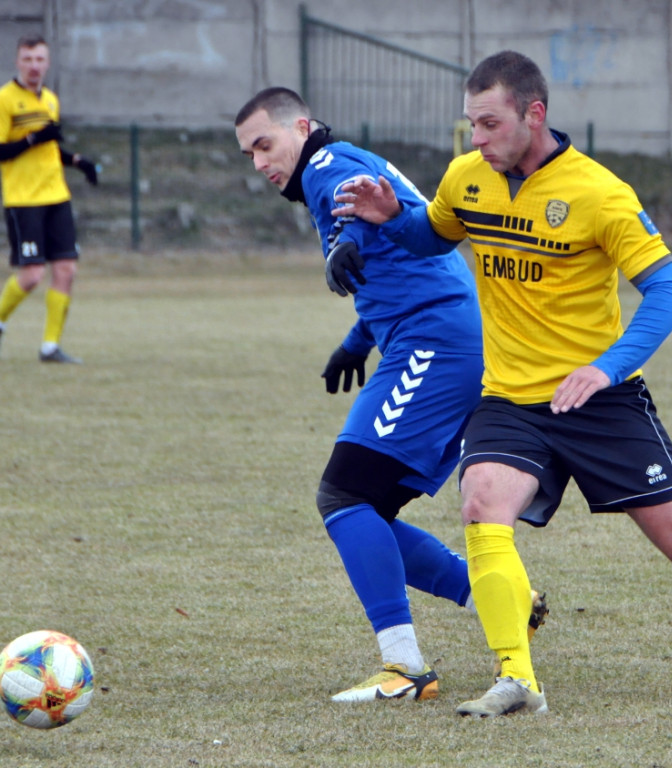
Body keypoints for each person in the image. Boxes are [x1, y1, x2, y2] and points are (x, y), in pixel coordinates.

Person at [335, 50, 672, 717]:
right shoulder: (469, 177)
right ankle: (517, 679)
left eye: (491, 124)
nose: (479, 139)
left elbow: (667, 293)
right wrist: (391, 217)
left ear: (535, 113)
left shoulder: (599, 192)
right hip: (511, 398)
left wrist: (603, 367)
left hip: (602, 402)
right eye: (470, 125)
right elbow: (434, 235)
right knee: (481, 501)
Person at [233, 87, 545, 704]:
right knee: (363, 505)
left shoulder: (327, 166)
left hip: (435, 341)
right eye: (248, 153)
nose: (260, 162)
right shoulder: (339, 159)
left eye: (265, 144)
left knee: (347, 495)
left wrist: (342, 238)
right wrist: (358, 337)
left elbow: (351, 205)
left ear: (301, 126)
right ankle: (495, 596)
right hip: (432, 333)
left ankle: (404, 669)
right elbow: (394, 253)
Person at [0, 34, 99, 364]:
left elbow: (49, 147)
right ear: (17, 62)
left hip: (57, 195)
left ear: (48, 63)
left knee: (66, 269)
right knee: (30, 276)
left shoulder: (51, 100)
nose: (34, 66)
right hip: (24, 199)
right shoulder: (5, 99)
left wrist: (77, 162)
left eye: (40, 59)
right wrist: (33, 137)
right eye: (27, 59)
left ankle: (50, 347)